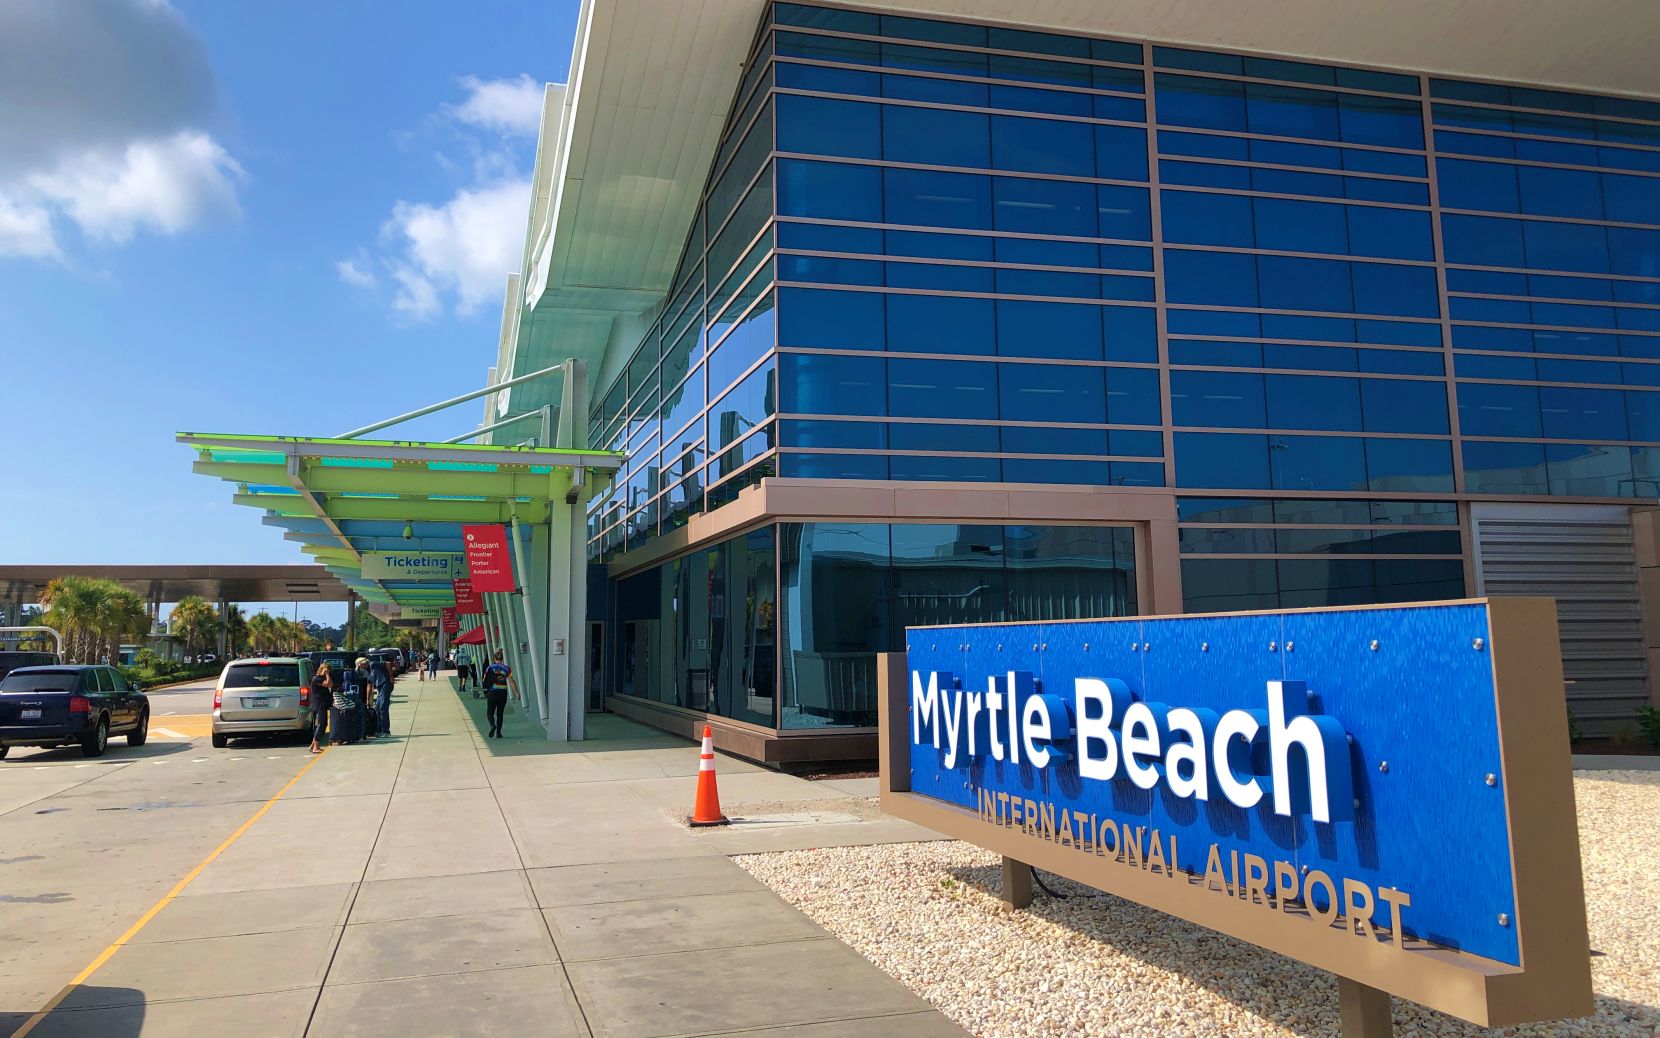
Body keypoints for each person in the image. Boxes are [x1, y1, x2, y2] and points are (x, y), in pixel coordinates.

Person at [480, 650, 518, 739]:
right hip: (502, 693)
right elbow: (511, 681)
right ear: (502, 658)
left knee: (490, 712)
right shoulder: (507, 669)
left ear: (494, 658)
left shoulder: (489, 668)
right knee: (500, 714)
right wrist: (516, 692)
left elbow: (484, 679)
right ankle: (498, 733)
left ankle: (492, 725)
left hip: (492, 692)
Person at [308, 661, 332, 754]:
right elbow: (328, 684)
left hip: (323, 703)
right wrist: (326, 674)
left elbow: (331, 683)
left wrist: (327, 675)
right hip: (320, 704)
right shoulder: (317, 679)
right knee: (322, 724)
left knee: (323, 724)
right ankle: (316, 746)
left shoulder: (320, 678)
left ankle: (313, 745)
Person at [368, 653, 393, 738]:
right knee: (377, 708)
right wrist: (368, 699)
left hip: (385, 684)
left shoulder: (372, 664)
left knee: (383, 708)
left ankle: (386, 731)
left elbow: (388, 663)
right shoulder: (368, 673)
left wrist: (391, 676)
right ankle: (379, 730)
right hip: (380, 687)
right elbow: (369, 686)